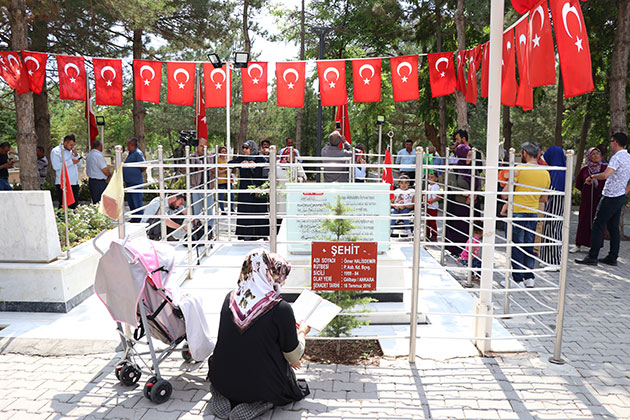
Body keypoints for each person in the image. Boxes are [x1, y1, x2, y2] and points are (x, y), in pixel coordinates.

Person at [208, 249, 310, 420]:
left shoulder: (229, 298)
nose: (283, 282)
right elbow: (294, 356)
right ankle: (261, 402)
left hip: (222, 377)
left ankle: (223, 395)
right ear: (270, 274)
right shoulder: (280, 308)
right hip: (259, 385)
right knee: (286, 380)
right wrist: (302, 332)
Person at [576, 133, 630, 266]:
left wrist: (592, 177)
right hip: (620, 196)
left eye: (611, 141)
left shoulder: (617, 157)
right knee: (613, 227)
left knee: (598, 225)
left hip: (610, 196)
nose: (610, 144)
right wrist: (626, 190)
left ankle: (592, 256)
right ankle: (612, 257)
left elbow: (606, 175)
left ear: (615, 142)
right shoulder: (628, 156)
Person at [504, 142, 550, 288]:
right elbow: (544, 198)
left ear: (524, 153)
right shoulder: (545, 173)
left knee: (516, 246)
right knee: (529, 245)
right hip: (533, 212)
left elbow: (505, 194)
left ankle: (517, 279)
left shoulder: (519, 169)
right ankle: (529, 277)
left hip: (517, 212)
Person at [229, 140, 269, 240]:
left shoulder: (259, 157)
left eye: (247, 148)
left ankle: (262, 234)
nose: (244, 150)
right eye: (243, 148)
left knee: (259, 211)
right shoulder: (242, 158)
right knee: (245, 211)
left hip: (257, 189)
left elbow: (267, 163)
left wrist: (256, 164)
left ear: (252, 148)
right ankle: (246, 234)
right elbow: (229, 163)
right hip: (245, 190)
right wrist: (241, 163)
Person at [571, 147, 607, 253]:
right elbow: (578, 184)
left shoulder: (605, 168)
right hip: (587, 201)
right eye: (593, 154)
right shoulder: (584, 170)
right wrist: (586, 189)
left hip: (600, 199)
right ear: (589, 156)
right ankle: (578, 245)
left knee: (598, 222)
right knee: (584, 221)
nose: (596, 155)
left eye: (597, 153)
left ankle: (594, 247)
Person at [445, 144, 476, 256]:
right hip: (458, 204)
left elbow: (479, 183)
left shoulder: (473, 169)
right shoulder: (454, 169)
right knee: (458, 228)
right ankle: (457, 251)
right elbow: (453, 186)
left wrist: (473, 196)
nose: (470, 158)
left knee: (469, 228)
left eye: (471, 155)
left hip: (471, 204)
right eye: (468, 155)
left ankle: (469, 251)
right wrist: (467, 194)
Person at [539, 146, 566, 266]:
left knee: (553, 230)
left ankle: (554, 261)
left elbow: (552, 189)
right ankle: (546, 259)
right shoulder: (562, 171)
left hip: (554, 204)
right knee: (549, 229)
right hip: (555, 204)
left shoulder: (556, 172)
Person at [50, 134, 82, 209]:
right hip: (63, 183)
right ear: (65, 142)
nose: (72, 147)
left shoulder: (72, 151)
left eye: (73, 145)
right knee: (64, 205)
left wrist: (76, 155)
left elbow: (79, 164)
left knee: (74, 206)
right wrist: (71, 162)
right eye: (71, 145)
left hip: (74, 183)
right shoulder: (56, 151)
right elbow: (56, 166)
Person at [122, 137, 146, 221]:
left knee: (137, 201)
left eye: (128, 144)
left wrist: (135, 172)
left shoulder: (137, 153)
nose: (127, 146)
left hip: (135, 182)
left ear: (132, 145)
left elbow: (144, 166)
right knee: (131, 202)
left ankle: (139, 219)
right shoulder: (130, 153)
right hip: (129, 182)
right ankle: (134, 218)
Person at [216, 146, 235, 213]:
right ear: (220, 152)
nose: (224, 152)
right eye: (222, 151)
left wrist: (229, 171)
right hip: (221, 180)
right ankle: (222, 210)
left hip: (228, 179)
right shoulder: (217, 160)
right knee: (221, 196)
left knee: (232, 195)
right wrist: (225, 170)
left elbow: (230, 168)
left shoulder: (227, 159)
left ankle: (231, 208)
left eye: (225, 151)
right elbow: (217, 171)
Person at [426, 172, 441, 241]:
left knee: (432, 222)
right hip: (427, 206)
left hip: (433, 207)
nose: (430, 179)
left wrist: (433, 201)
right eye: (429, 177)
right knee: (427, 222)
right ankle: (427, 235)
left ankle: (434, 235)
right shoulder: (427, 186)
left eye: (432, 177)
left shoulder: (436, 186)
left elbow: (439, 196)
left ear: (436, 179)